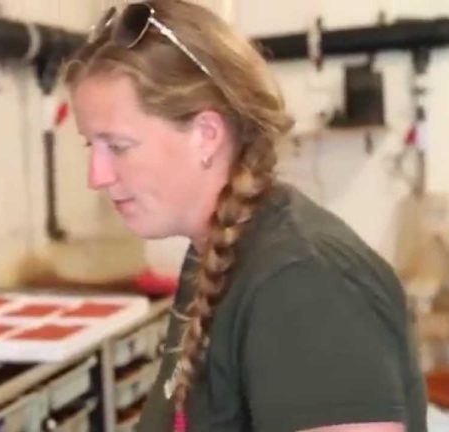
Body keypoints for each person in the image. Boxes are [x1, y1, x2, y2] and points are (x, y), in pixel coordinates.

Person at [62, 1, 428, 431]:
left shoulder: (303, 284)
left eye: (118, 147)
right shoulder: (215, 252)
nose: (96, 176)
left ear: (206, 135)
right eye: (92, 146)